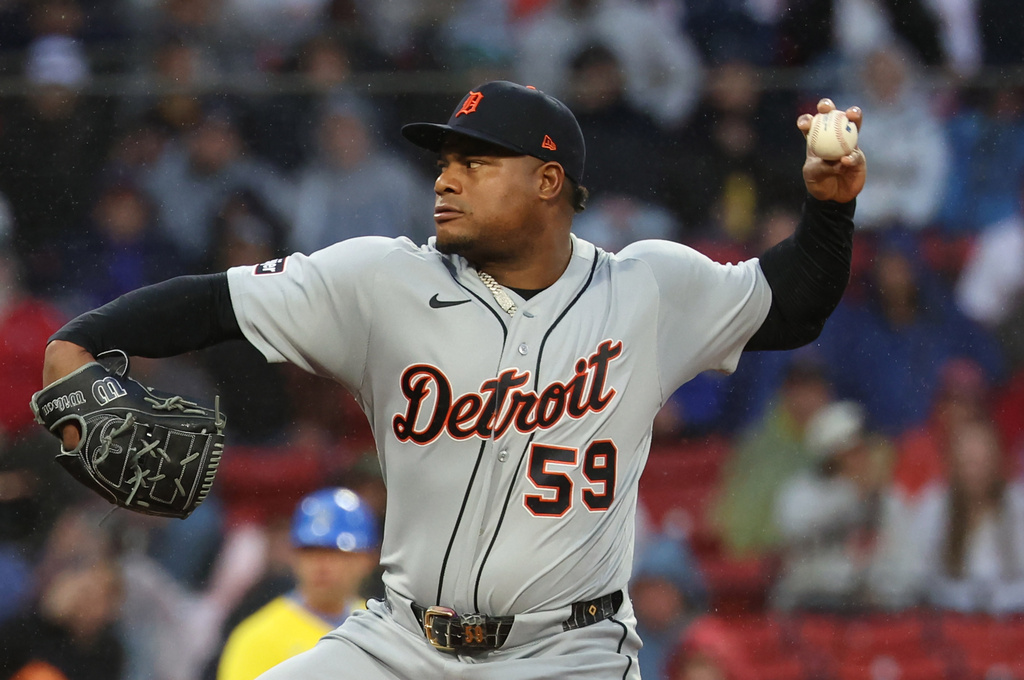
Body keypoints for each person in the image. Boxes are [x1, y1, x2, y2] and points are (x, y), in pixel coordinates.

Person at [38, 81, 866, 679]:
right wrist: (81, 342)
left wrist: (828, 208)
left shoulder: (645, 286)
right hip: (401, 643)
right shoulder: (382, 281)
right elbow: (214, 303)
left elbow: (789, 306)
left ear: (549, 182)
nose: (445, 177)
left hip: (564, 652)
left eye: (475, 161)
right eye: (444, 161)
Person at [216, 487, 380, 680]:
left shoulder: (381, 630)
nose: (321, 564)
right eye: (310, 551)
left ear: (367, 559)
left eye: (336, 552)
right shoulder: (257, 637)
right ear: (294, 556)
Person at [771, 400, 889, 612]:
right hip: (807, 599)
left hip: (861, 601)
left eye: (861, 449)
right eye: (851, 451)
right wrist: (851, 493)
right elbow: (792, 527)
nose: (861, 458)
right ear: (832, 455)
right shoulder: (800, 490)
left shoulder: (883, 494)